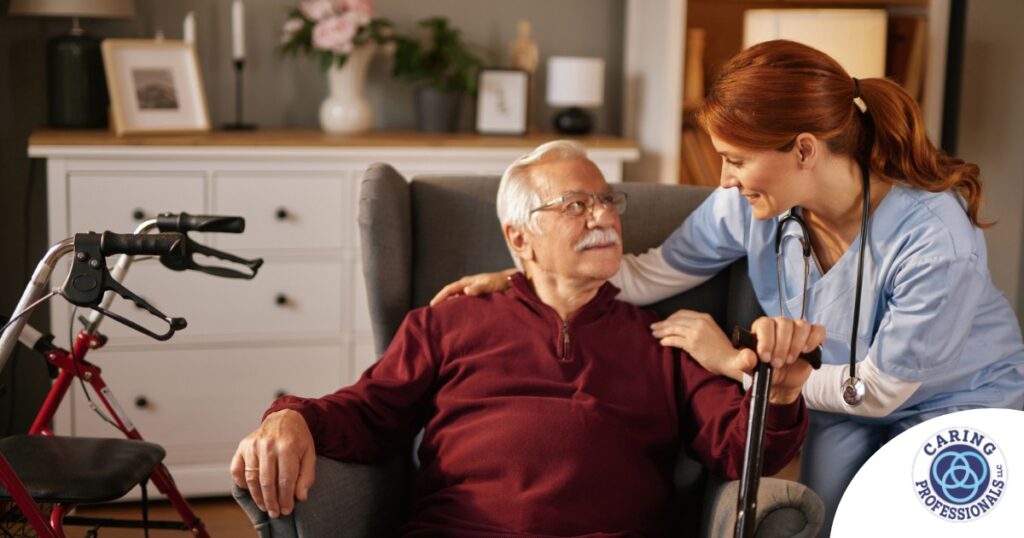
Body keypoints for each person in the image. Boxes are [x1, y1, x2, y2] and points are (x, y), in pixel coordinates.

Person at [430, 40, 1024, 536]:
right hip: (835, 401)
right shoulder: (747, 206)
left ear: (804, 150)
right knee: (821, 521)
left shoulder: (933, 238)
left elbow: (880, 391)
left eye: (735, 159)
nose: (723, 178)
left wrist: (735, 363)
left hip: (952, 401)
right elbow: (645, 273)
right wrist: (529, 278)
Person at [231, 140, 814, 537]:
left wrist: (782, 393)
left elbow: (740, 449)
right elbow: (369, 411)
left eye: (608, 201)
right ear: (520, 236)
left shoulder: (665, 339)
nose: (604, 218)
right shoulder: (446, 322)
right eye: (576, 205)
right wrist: (290, 417)